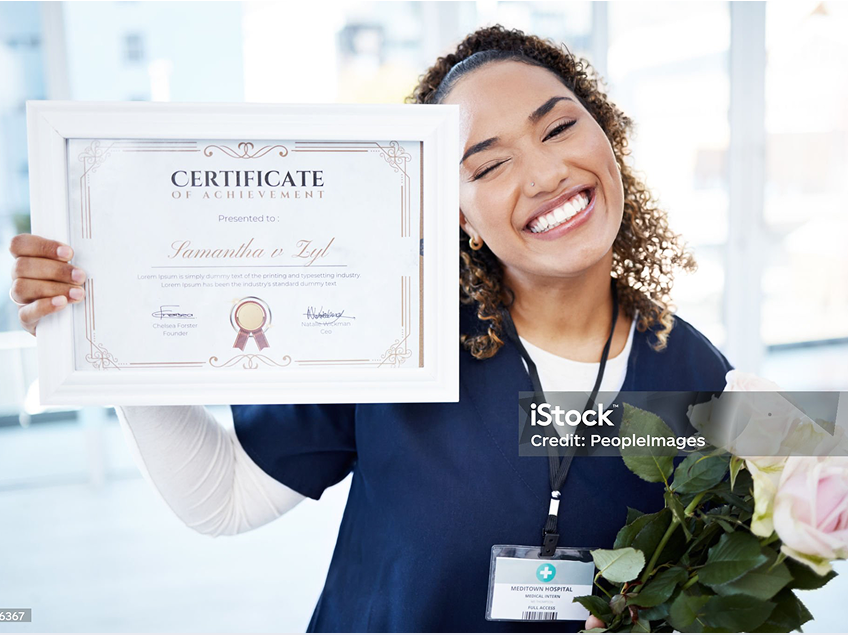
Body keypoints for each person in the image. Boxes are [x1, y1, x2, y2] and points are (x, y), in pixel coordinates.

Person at [9, 24, 732, 633]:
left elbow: (762, 556)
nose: (545, 174)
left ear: (607, 134)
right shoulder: (393, 333)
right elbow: (222, 496)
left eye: (560, 127)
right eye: (489, 165)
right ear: (456, 215)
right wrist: (109, 326)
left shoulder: (702, 379)